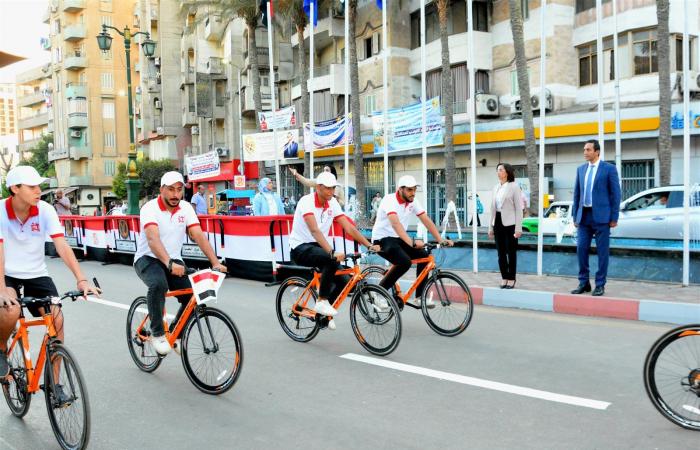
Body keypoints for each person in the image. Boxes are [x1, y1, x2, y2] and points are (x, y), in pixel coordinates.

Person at [0, 166, 100, 383]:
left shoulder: (45, 210)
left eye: (39, 186)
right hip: (7, 273)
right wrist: (1, 289)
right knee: (11, 309)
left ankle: (55, 383)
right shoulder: (0, 211)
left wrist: (81, 279)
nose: (38, 190)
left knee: (57, 318)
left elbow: (62, 245)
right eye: (32, 186)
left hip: (37, 274)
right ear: (15, 188)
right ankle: (0, 349)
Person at [133, 171, 227, 355]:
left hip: (174, 260)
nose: (175, 195)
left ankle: (175, 334)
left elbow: (198, 235)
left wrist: (215, 262)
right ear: (161, 190)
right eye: (170, 190)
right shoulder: (149, 208)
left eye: (179, 190)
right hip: (147, 258)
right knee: (159, 285)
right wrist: (168, 263)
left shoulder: (186, 208)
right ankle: (158, 333)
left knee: (194, 296)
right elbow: (152, 239)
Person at [289, 172, 379, 330]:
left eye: (333, 188)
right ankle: (322, 301)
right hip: (300, 247)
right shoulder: (306, 202)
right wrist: (331, 252)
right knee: (331, 259)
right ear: (318, 188)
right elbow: (315, 231)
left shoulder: (332, 203)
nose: (332, 192)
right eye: (328, 188)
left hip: (319, 247)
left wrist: (368, 244)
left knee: (344, 282)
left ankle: (322, 314)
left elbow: (349, 227)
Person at [371, 175, 453, 308]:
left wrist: (440, 239)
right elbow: (395, 224)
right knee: (404, 262)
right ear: (400, 189)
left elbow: (425, 219)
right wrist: (412, 242)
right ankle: (379, 293)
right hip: (382, 239)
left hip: (398, 239)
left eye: (414, 189)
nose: (413, 193)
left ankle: (420, 297)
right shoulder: (389, 200)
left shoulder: (412, 201)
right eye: (409, 190)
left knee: (424, 257)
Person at [571, 139, 621, 297]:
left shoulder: (609, 169)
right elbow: (577, 194)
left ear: (597, 152)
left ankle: (600, 284)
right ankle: (584, 282)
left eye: (588, 150)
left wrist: (614, 217)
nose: (585, 152)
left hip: (602, 217)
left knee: (602, 252)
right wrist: (575, 215)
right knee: (581, 249)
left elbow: (616, 194)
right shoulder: (580, 169)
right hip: (584, 216)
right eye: (584, 150)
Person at [488, 163, 523, 289]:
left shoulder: (514, 187)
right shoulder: (495, 187)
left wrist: (518, 228)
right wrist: (490, 227)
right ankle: (504, 277)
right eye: (497, 170)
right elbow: (492, 208)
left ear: (507, 172)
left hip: (511, 224)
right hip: (497, 222)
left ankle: (511, 278)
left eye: (501, 170)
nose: (498, 172)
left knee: (511, 252)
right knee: (500, 253)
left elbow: (519, 209)